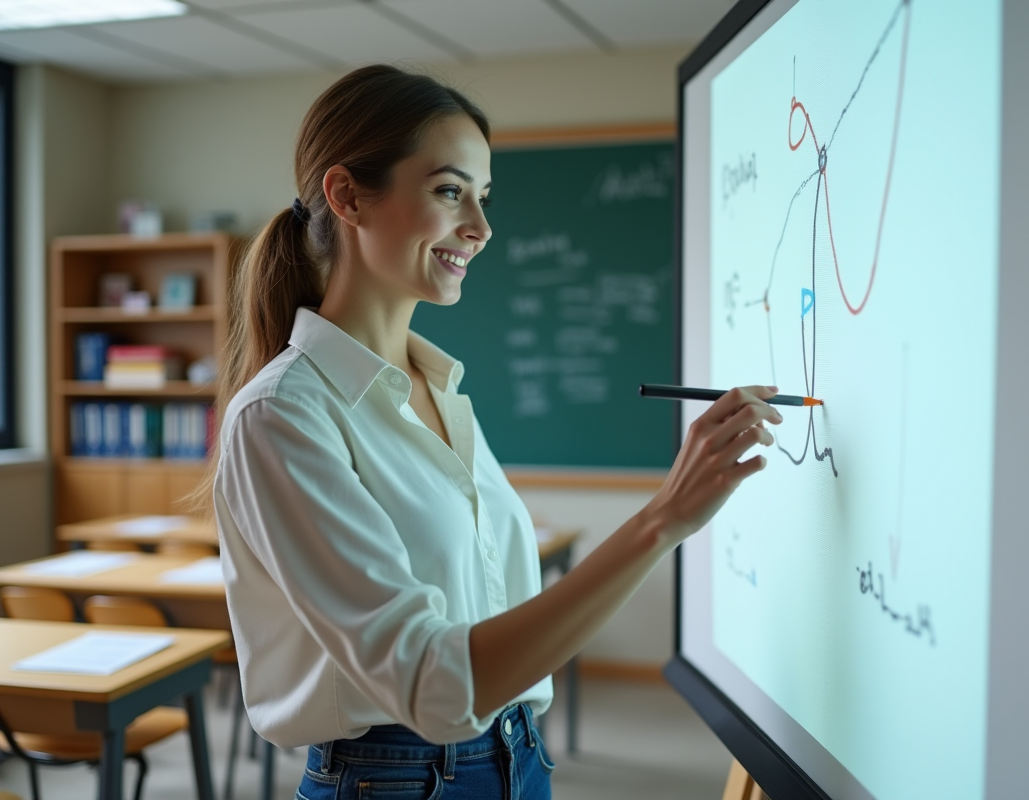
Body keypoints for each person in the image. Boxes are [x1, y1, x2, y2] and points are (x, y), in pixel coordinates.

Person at [209, 64, 782, 800]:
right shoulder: (282, 416)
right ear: (348, 196)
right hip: (398, 781)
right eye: (450, 192)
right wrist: (661, 520)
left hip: (516, 757)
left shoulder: (438, 388)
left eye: (482, 197)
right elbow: (433, 682)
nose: (480, 229)